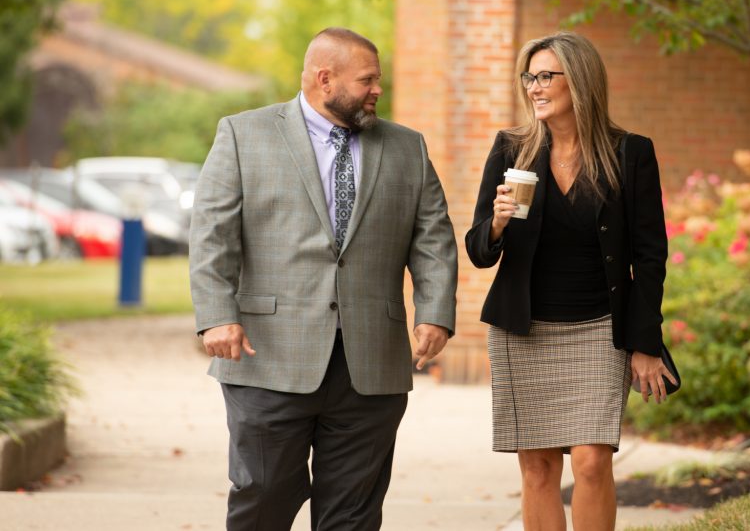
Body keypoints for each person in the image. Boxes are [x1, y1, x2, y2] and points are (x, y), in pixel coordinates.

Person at [189, 27, 458, 531]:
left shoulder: (407, 147)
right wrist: (217, 316)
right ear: (324, 78)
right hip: (268, 356)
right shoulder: (243, 134)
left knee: (353, 512)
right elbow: (212, 235)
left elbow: (433, 238)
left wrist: (436, 313)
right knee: (262, 496)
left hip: (370, 363)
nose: (378, 89)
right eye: (368, 80)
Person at [466, 31, 675, 531]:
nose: (534, 88)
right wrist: (495, 223)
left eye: (545, 77)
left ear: (578, 81)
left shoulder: (630, 154)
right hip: (524, 332)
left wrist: (644, 341)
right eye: (529, 78)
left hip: (600, 330)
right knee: (537, 468)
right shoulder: (511, 149)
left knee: (590, 460)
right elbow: (478, 251)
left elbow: (650, 255)